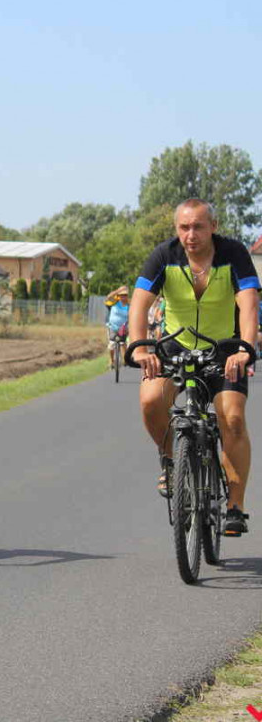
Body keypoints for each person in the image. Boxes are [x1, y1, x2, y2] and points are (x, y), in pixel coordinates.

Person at [129, 198, 259, 535]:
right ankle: (173, 461)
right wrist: (141, 345)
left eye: (198, 226)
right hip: (175, 346)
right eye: (184, 227)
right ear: (177, 230)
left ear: (213, 227)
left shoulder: (234, 254)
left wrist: (245, 348)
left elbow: (248, 303)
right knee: (149, 400)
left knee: (231, 416)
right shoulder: (164, 255)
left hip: (225, 349)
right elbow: (140, 302)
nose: (191, 234)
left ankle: (235, 506)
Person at [103, 285, 130, 369]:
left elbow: (132, 317)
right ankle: (111, 361)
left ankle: (125, 360)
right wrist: (118, 291)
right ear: (118, 296)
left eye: (125, 295)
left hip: (123, 328)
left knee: (123, 343)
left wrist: (128, 327)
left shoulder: (129, 305)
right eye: (121, 295)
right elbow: (108, 297)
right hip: (112, 326)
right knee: (112, 344)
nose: (123, 297)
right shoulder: (114, 302)